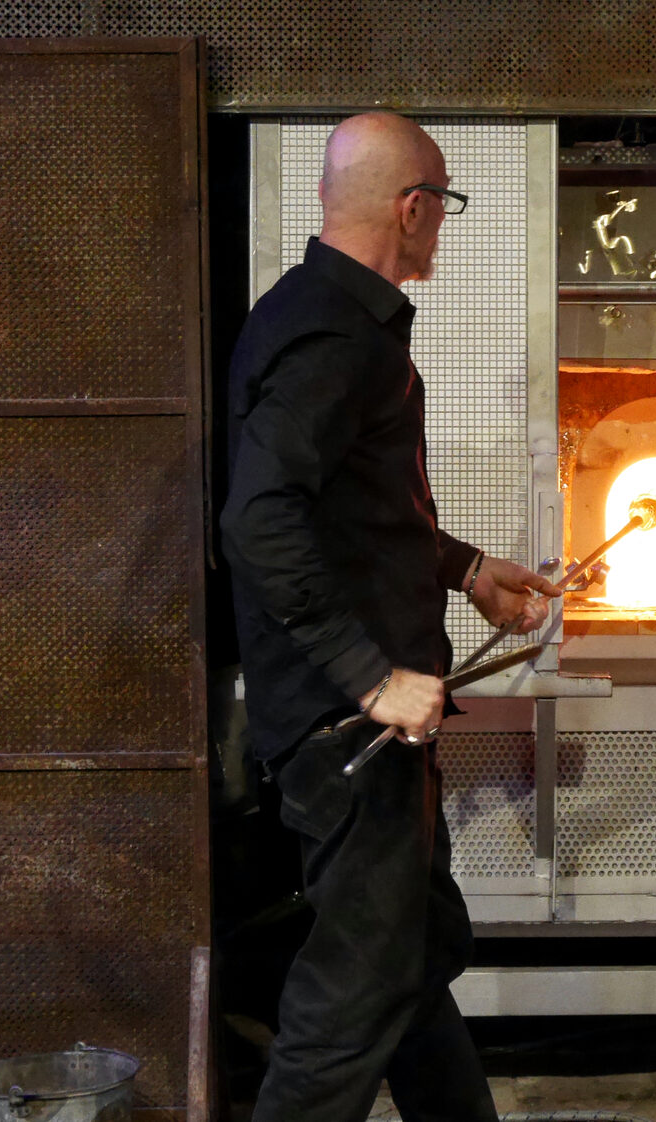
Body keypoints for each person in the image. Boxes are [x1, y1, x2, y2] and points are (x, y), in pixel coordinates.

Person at [221, 111, 559, 1122]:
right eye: (442, 207)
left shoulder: (317, 315)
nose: (442, 229)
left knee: (409, 960)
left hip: (361, 719)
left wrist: (464, 569)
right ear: (411, 209)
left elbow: (353, 515)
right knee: (348, 1006)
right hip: (349, 727)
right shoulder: (333, 337)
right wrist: (370, 677)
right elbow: (259, 516)